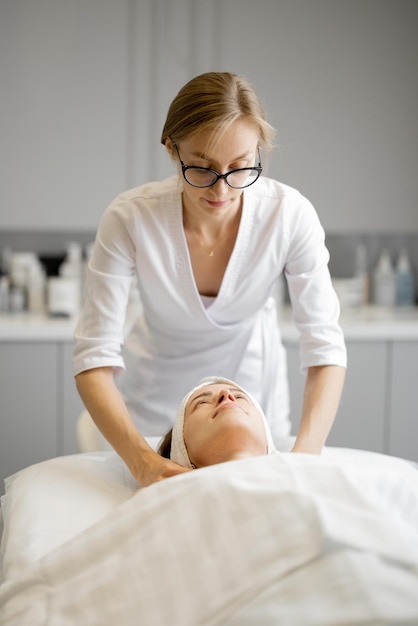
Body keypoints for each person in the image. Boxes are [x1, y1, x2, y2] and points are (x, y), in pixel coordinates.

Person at [74, 71, 347, 488]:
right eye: (201, 168)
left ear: (258, 152)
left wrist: (303, 463)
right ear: (171, 149)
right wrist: (142, 460)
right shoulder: (131, 218)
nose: (222, 189)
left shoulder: (288, 216)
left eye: (240, 168)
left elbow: (325, 348)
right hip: (153, 404)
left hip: (251, 400)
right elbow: (94, 358)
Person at [159, 376, 276, 468]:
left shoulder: (293, 467)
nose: (226, 394)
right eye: (202, 402)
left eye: (240, 397)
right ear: (183, 453)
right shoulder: (160, 496)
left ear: (268, 444)